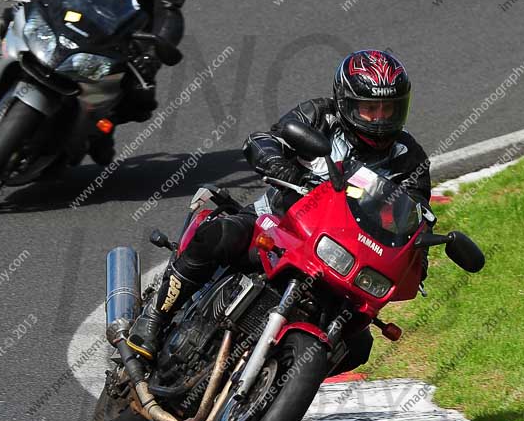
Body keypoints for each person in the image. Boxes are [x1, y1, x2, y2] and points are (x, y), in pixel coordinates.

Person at [128, 49, 432, 374]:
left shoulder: (408, 157)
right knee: (219, 234)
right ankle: (155, 315)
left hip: (340, 251)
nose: (380, 119)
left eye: (389, 109)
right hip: (278, 223)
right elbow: (265, 140)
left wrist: (415, 255)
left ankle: (273, 389)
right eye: (371, 109)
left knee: (356, 346)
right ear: (346, 102)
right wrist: (279, 165)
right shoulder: (320, 116)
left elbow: (415, 215)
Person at [0, 0, 187, 164]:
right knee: (18, 35)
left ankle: (100, 129)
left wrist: (150, 57)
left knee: (139, 95)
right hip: (69, 14)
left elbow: (169, 12)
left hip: (123, 40)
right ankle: (0, 86)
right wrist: (21, 3)